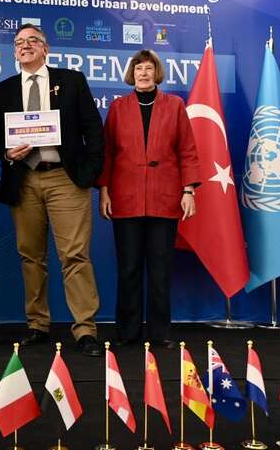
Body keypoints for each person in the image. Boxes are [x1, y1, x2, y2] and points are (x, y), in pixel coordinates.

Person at [0, 23, 105, 357]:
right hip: (24, 179)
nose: (24, 46)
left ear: (45, 48)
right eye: (18, 43)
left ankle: (85, 329)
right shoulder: (4, 89)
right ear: (14, 52)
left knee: (74, 255)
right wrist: (7, 153)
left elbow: (93, 130)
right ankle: (37, 324)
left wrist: (90, 171)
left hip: (65, 178)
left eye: (31, 41)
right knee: (30, 255)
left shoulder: (71, 80)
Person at [98, 49, 200, 349]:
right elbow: (108, 153)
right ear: (132, 74)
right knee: (128, 269)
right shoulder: (118, 107)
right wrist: (104, 190)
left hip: (164, 199)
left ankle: (160, 333)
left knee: (160, 269)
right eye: (138, 68)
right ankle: (127, 333)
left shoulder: (175, 105)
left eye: (149, 68)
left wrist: (189, 190)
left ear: (157, 73)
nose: (144, 73)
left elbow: (188, 150)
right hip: (125, 199)